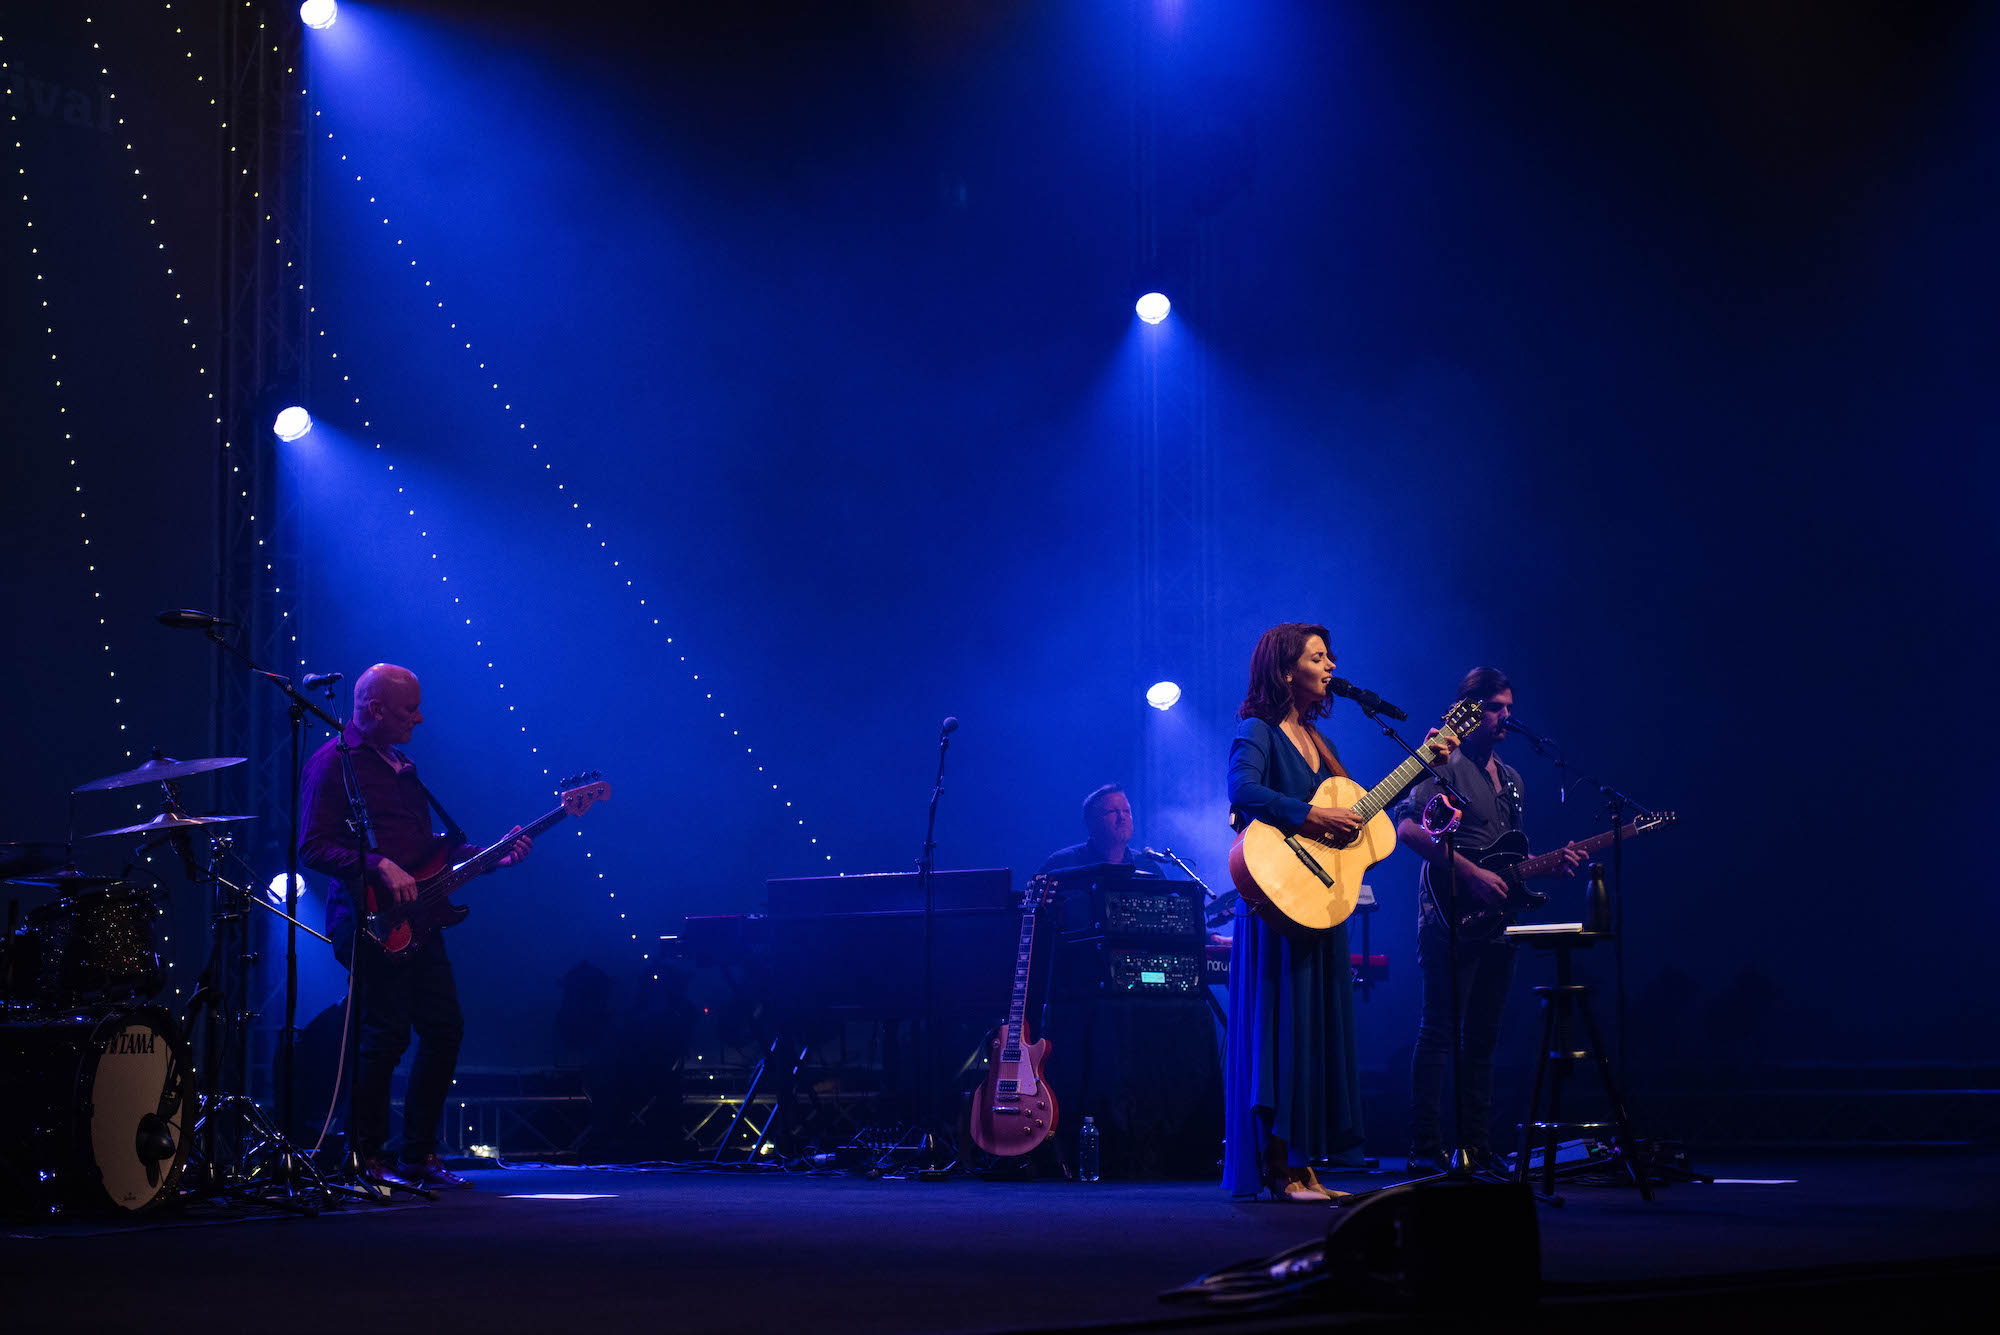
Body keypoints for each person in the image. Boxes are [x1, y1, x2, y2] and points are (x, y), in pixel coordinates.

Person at [1222, 623, 1453, 1201]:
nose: (1329, 668)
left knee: (1314, 1033)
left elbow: (1358, 816)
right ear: (1284, 671)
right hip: (1277, 904)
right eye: (1317, 658)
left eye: (1330, 658)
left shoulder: (1319, 742)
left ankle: (1305, 1166)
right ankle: (1278, 1168)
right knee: (1283, 1029)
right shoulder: (1259, 730)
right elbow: (1242, 791)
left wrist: (1426, 761)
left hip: (1321, 902)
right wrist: (1311, 817)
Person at [298, 663, 532, 1191]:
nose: (420, 718)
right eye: (409, 709)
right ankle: (364, 1157)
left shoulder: (402, 765)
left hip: (421, 919)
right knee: (383, 1037)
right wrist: (377, 864)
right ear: (375, 709)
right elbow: (313, 846)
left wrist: (492, 857)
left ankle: (418, 1154)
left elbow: (431, 854)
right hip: (369, 919)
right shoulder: (333, 764)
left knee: (444, 1028)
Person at [1394, 666, 1583, 1174]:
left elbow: (1509, 861)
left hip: (1497, 922)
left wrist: (1549, 869)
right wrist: (1471, 874)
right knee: (1438, 1030)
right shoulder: (1445, 765)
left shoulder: (1514, 782)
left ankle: (1477, 1145)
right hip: (1449, 913)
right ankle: (1424, 1147)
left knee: (1484, 1036)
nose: (1505, 717)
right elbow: (1408, 829)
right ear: (1472, 710)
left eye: (1509, 709)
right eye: (1496, 708)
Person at [1034, 784, 1173, 879]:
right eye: (1113, 811)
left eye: (1126, 811)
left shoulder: (1148, 866)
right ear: (1091, 822)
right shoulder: (1061, 863)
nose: (1122, 817)